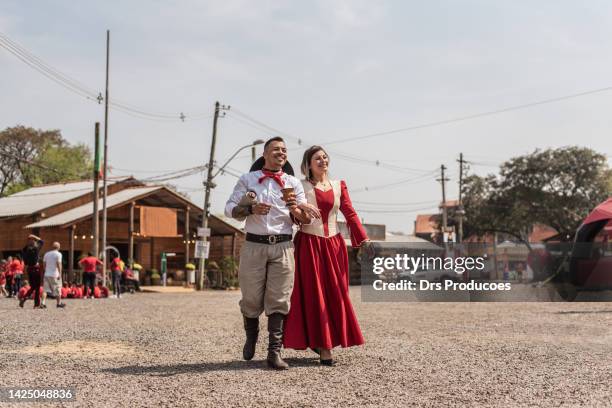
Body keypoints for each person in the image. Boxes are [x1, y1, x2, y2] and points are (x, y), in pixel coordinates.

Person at [224, 136, 313, 370]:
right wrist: (251, 208)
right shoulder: (248, 180)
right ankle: (251, 336)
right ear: (264, 154)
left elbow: (303, 218)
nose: (281, 153)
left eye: (284, 150)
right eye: (275, 149)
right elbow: (229, 209)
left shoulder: (293, 183)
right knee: (251, 297)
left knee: (280, 298)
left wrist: (296, 208)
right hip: (254, 244)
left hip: (283, 245)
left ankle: (274, 353)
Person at [283, 145, 371, 366]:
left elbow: (349, 212)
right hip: (309, 245)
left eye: (324, 157)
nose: (322, 161)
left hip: (334, 245)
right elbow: (293, 216)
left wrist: (363, 238)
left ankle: (328, 340)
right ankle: (324, 346)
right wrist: (296, 213)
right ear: (308, 165)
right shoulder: (300, 186)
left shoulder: (338, 185)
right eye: (317, 159)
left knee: (335, 294)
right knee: (313, 295)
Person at [19, 234, 44, 308]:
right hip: (36, 269)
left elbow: (25, 248)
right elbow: (42, 241)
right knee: (37, 287)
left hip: (29, 269)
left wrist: (29, 239)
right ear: (34, 243)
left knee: (33, 286)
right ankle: (36, 304)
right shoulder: (35, 249)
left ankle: (24, 298)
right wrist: (35, 237)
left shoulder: (24, 250)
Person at [42, 242, 66, 308]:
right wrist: (60, 273)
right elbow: (59, 264)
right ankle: (59, 303)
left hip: (47, 274)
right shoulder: (58, 254)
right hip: (54, 274)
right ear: (58, 247)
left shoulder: (47, 254)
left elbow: (44, 264)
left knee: (45, 290)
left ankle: (43, 303)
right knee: (58, 289)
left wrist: (45, 270)